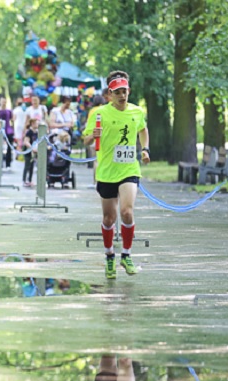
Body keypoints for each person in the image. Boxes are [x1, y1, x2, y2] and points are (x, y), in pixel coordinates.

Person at [82, 70, 150, 279]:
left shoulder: (137, 112)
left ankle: (127, 255)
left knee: (127, 212)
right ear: (109, 95)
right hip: (106, 171)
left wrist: (145, 149)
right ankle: (109, 255)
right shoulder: (99, 113)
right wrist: (92, 136)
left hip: (129, 169)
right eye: (117, 92)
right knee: (109, 218)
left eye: (125, 91)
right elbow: (85, 140)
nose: (122, 96)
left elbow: (143, 130)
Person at [84, 91, 108, 188]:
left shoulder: (92, 111)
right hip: (104, 136)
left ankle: (95, 181)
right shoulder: (106, 109)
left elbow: (89, 124)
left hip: (94, 136)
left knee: (96, 161)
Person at [22, 118, 39, 187]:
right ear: (32, 124)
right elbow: (26, 141)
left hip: (34, 152)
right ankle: (24, 180)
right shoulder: (29, 132)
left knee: (32, 166)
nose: (38, 124)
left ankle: (29, 180)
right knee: (27, 166)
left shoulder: (37, 132)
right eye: (36, 123)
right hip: (28, 152)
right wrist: (32, 148)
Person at [0, 97, 14, 170]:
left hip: (8, 130)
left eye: (5, 102)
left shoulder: (9, 111)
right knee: (0, 148)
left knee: (9, 148)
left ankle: (8, 164)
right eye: (2, 102)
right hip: (0, 130)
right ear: (0, 102)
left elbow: (12, 120)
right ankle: (0, 164)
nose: (3, 103)